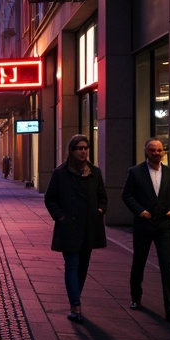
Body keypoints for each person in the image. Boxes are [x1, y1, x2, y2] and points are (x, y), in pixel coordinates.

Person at [43, 134, 106, 323]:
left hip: (89, 227)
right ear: (71, 150)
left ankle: (76, 297)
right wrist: (61, 216)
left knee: (83, 266)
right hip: (69, 227)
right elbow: (50, 198)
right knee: (72, 264)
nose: (83, 151)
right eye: (79, 148)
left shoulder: (94, 172)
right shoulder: (60, 173)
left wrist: (99, 211)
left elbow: (103, 196)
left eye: (86, 148)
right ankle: (75, 305)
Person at [122, 139, 170, 323]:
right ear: (146, 152)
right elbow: (127, 195)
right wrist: (140, 211)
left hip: (164, 225)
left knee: (167, 265)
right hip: (144, 224)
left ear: (163, 153)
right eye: (152, 150)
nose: (156, 153)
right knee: (139, 262)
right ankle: (136, 298)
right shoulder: (135, 172)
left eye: (159, 150)